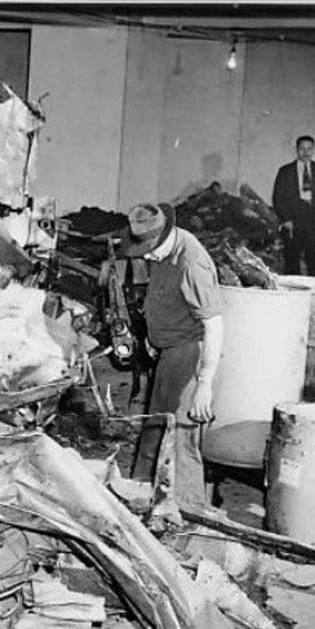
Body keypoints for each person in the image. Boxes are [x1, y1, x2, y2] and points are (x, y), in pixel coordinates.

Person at [124, 202, 223, 510]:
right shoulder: (163, 251)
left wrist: (204, 383)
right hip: (168, 352)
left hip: (189, 354)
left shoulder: (191, 262)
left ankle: (190, 516)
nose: (147, 255)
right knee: (154, 427)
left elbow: (214, 325)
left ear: (166, 235)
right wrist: (155, 337)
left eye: (151, 249)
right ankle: (138, 498)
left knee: (180, 438)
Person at [272, 135, 315, 277]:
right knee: (292, 258)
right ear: (297, 150)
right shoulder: (285, 171)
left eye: (309, 149)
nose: (305, 152)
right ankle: (293, 291)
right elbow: (278, 198)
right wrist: (285, 219)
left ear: (313, 150)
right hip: (294, 217)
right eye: (302, 149)